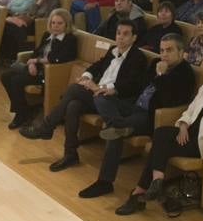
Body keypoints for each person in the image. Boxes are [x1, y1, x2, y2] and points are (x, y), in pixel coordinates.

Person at [117, 54, 203, 217]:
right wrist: (183, 126)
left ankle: (141, 192)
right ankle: (156, 184)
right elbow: (190, 111)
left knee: (158, 147)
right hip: (187, 133)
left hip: (201, 143)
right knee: (160, 133)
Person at [78, 34, 199, 200]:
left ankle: (104, 182)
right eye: (162, 50)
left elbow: (170, 102)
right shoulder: (156, 63)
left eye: (169, 50)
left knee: (114, 132)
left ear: (181, 52)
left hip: (150, 116)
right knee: (100, 96)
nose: (164, 54)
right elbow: (142, 87)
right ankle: (119, 123)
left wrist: (161, 77)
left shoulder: (186, 74)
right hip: (134, 105)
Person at [21, 21, 150, 171]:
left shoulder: (137, 57)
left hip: (112, 101)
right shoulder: (113, 50)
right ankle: (70, 154)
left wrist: (102, 87)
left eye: (126, 34)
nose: (120, 37)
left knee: (74, 90)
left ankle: (46, 126)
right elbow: (97, 65)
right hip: (96, 94)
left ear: (134, 38)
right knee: (72, 106)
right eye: (118, 33)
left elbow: (132, 85)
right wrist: (86, 76)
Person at [0, 9, 76, 129]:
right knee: (5, 76)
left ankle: (21, 114)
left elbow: (59, 58)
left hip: (49, 73)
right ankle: (24, 110)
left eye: (59, 23)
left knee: (16, 81)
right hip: (35, 69)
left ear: (67, 24)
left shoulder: (70, 39)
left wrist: (37, 61)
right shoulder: (47, 34)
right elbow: (36, 52)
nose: (55, 26)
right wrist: (31, 64)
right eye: (53, 23)